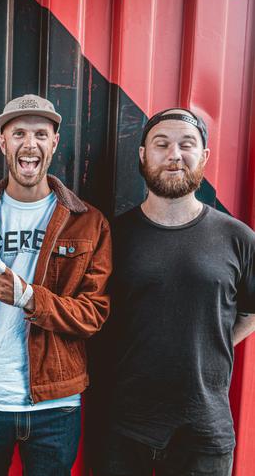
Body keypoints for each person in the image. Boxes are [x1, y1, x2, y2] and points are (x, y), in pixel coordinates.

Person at [0, 94, 112, 475]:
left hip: (55, 405)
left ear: (55, 143)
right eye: (18, 132)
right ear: (2, 142)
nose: (29, 143)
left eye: (41, 133)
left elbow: (94, 314)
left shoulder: (88, 223)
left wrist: (26, 297)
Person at [96, 108, 255, 476]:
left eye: (187, 144)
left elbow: (250, 311)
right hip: (125, 426)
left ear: (204, 156)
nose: (174, 154)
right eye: (161, 144)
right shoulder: (112, 236)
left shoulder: (238, 238)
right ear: (142, 154)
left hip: (204, 432)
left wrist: (208, 341)